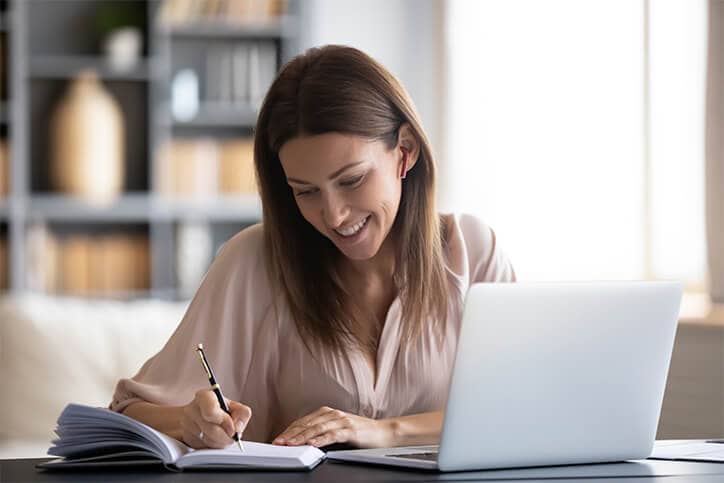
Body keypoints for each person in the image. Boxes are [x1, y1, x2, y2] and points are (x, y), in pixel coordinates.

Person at [110, 45, 516, 450]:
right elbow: (127, 412)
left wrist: (382, 430)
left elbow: (519, 406)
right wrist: (188, 420)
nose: (334, 215)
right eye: (306, 192)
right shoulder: (255, 262)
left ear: (405, 152)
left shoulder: (473, 253)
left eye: (352, 180)